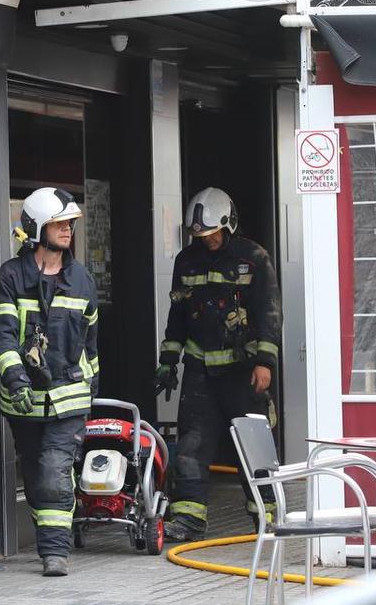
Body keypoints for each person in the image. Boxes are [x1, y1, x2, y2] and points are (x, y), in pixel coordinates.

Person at [156, 187, 282, 542]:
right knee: (193, 447)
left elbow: (269, 313)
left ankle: (267, 515)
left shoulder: (253, 258)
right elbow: (178, 313)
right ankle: (190, 520)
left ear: (228, 226)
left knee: (253, 445)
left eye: (212, 234)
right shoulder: (186, 261)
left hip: (243, 372)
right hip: (200, 373)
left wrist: (265, 363)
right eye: (201, 235)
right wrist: (168, 359)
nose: (207, 240)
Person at [0, 187, 99, 577]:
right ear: (36, 227)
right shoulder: (11, 277)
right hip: (24, 401)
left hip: (68, 399)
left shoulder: (81, 280)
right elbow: (1, 334)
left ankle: (55, 553)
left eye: (70, 222)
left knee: (54, 469)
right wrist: (16, 379)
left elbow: (90, 343)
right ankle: (49, 536)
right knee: (36, 475)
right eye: (59, 223)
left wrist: (91, 389)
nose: (68, 229)